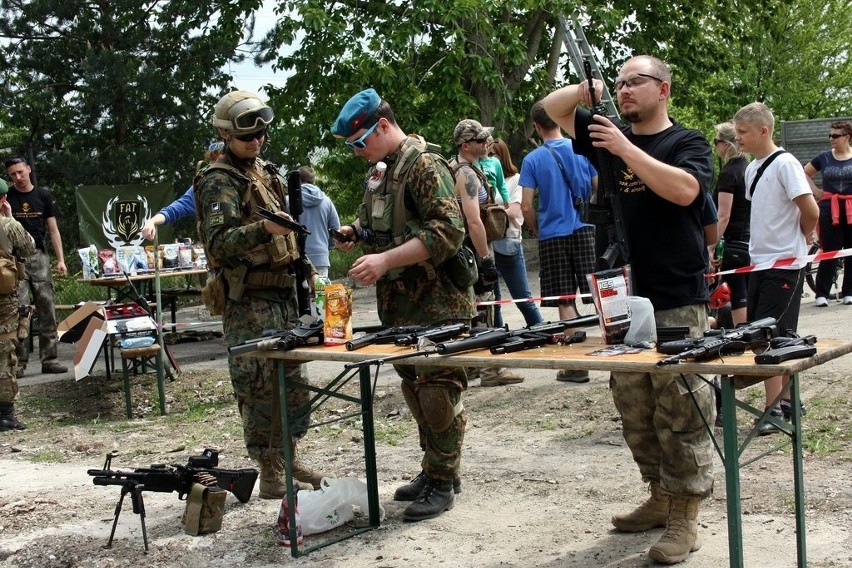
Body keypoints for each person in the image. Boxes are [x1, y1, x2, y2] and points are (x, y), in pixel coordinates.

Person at [543, 55, 715, 564]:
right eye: (618, 84)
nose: (623, 91)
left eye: (634, 82)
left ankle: (686, 514)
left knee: (682, 409)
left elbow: (686, 191)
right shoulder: (604, 136)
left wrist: (623, 148)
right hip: (621, 296)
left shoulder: (686, 142)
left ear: (663, 89)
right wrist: (585, 87)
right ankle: (659, 494)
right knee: (635, 407)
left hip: (675, 293)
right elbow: (549, 110)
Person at [331, 88, 475, 521]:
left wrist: (385, 260)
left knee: (437, 393)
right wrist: (354, 231)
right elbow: (374, 219)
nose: (358, 153)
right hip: (401, 306)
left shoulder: (424, 165)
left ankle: (444, 480)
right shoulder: (381, 172)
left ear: (382, 126)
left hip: (438, 303)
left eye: (360, 143)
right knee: (415, 390)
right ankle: (434, 469)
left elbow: (448, 232)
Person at [194, 90, 325, 498]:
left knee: (292, 381)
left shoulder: (266, 172)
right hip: (249, 301)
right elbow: (218, 244)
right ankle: (269, 468)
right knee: (258, 386)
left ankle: (288, 454)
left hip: (284, 295)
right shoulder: (219, 181)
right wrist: (263, 230)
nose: (256, 142)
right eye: (247, 136)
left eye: (261, 135)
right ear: (224, 133)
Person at [733, 102, 819, 433]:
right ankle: (786, 399)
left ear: (763, 131)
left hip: (784, 263)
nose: (738, 138)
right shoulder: (752, 168)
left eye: (743, 133)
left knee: (768, 337)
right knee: (771, 335)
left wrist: (801, 238)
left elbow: (809, 208)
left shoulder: (785, 164)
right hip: (760, 262)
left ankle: (774, 409)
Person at [520, 100, 597, 384]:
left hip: (553, 232)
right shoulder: (582, 150)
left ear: (538, 127)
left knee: (565, 296)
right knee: (600, 294)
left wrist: (538, 230)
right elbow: (598, 188)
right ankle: (619, 352)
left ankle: (576, 365)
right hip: (586, 229)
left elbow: (526, 205)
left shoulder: (533, 160)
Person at [451, 119, 523, 387]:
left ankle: (471, 367)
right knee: (485, 305)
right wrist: (485, 258)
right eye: (481, 140)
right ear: (466, 145)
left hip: (463, 250)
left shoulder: (460, 168)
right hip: (472, 249)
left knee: (472, 308)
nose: (487, 143)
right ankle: (491, 370)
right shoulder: (466, 174)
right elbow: (473, 220)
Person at [4, 156, 67, 376]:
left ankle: (50, 359)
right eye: (13, 174)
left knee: (46, 307)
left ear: (29, 169)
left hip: (39, 256)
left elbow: (53, 230)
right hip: (13, 259)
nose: (18, 177)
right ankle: (19, 362)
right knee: (20, 311)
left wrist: (60, 260)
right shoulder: (7, 198)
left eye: (20, 172)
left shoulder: (43, 196)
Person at [488, 138, 543, 328]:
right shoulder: (481, 178)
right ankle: (498, 338)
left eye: (492, 154)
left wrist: (488, 209)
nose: (488, 159)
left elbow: (514, 211)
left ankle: (542, 332)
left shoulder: (515, 179)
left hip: (508, 243)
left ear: (501, 156)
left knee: (523, 300)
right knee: (493, 303)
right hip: (487, 247)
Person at [0, 179, 37, 432]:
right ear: (3, 200)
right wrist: (11, 218)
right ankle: (5, 414)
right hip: (4, 303)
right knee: (4, 353)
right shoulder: (8, 225)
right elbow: (29, 247)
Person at [804, 120, 852, 306]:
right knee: (829, 251)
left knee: (850, 251)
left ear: (847, 137)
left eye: (835, 135)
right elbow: (804, 173)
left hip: (850, 208)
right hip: (828, 208)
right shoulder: (823, 157)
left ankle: (848, 291)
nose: (831, 138)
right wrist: (816, 192)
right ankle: (821, 293)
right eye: (830, 135)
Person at [141, 142, 225, 241]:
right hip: (217, 252)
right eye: (214, 162)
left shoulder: (245, 182)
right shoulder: (203, 187)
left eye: (223, 163)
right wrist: (152, 221)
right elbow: (174, 209)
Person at [711, 121, 750, 325]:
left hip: (734, 242)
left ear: (726, 144)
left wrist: (709, 246)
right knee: (746, 291)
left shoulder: (729, 173)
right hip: (750, 241)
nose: (715, 146)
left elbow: (723, 216)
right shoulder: (749, 168)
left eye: (716, 141)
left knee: (737, 295)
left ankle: (741, 336)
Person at [295, 165, 341, 278]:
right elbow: (335, 230)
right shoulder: (326, 201)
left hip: (296, 259)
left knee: (300, 294)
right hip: (321, 258)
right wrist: (327, 247)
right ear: (313, 180)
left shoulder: (289, 201)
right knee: (320, 294)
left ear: (297, 181)